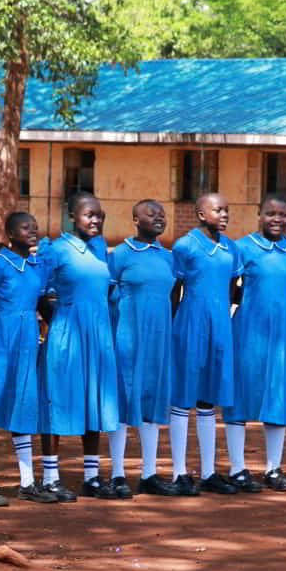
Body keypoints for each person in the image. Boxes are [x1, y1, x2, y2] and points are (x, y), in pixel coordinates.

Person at [38, 192, 120, 501]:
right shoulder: (56, 250)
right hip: (67, 335)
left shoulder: (100, 248)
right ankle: (49, 478)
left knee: (94, 401)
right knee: (56, 399)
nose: (96, 220)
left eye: (100, 215)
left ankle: (91, 476)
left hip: (98, 336)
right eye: (89, 215)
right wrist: (59, 322)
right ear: (73, 216)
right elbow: (38, 291)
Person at [0, 212, 57, 505]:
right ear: (9, 233)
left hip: (26, 343)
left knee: (24, 403)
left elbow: (44, 305)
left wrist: (58, 332)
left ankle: (28, 482)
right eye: (25, 227)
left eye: (35, 226)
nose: (32, 231)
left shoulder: (38, 266)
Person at [227, 196, 286, 492]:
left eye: (283, 214)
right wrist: (252, 302)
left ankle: (273, 469)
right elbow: (229, 288)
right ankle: (238, 469)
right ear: (258, 215)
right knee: (242, 394)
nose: (277, 219)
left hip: (284, 329)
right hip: (248, 327)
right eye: (270, 213)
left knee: (278, 393)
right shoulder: (242, 247)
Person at [170, 192, 242, 496]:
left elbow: (233, 288)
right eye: (218, 210)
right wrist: (176, 326)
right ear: (201, 214)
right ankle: (178, 472)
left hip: (220, 325)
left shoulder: (231, 248)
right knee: (183, 394)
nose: (224, 214)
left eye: (227, 209)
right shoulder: (185, 246)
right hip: (190, 322)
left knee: (209, 396)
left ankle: (209, 471)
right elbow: (174, 290)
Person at [107, 200, 179, 496]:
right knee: (125, 399)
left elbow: (174, 296)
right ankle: (118, 474)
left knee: (152, 399)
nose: (159, 218)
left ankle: (149, 473)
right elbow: (107, 294)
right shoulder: (120, 255)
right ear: (135, 219)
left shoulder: (169, 256)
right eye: (151, 214)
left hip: (158, 339)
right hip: (127, 337)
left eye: (162, 214)